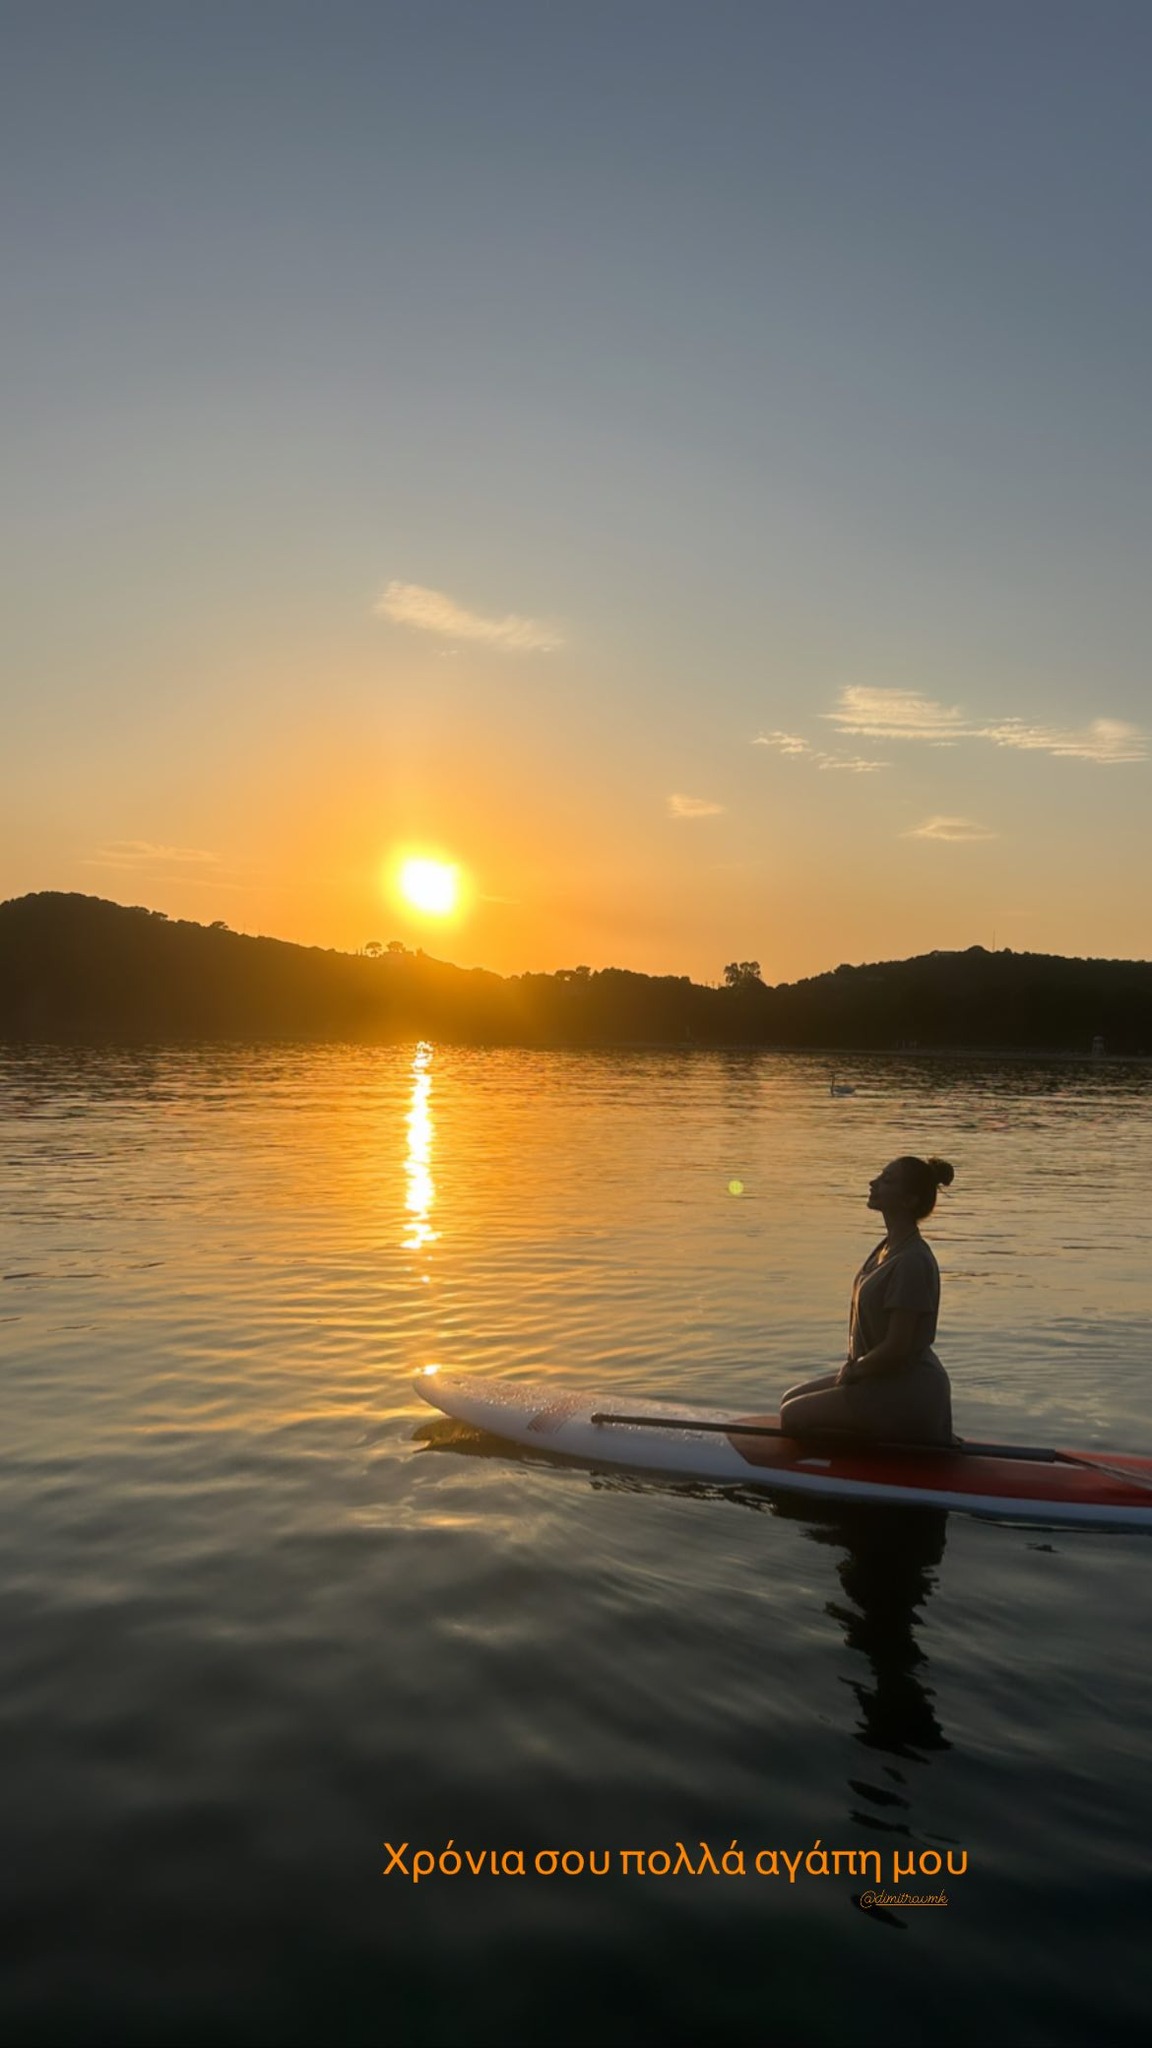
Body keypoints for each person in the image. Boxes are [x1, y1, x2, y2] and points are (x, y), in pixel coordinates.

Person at [780, 1156, 955, 1445]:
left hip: (906, 1391)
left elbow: (897, 1347)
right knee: (789, 1399)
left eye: (887, 1180)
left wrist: (855, 1370)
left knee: (793, 1417)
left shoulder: (912, 1260)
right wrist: (856, 1370)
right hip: (879, 1378)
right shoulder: (888, 1247)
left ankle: (890, 1455)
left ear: (909, 1201)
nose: (873, 1183)